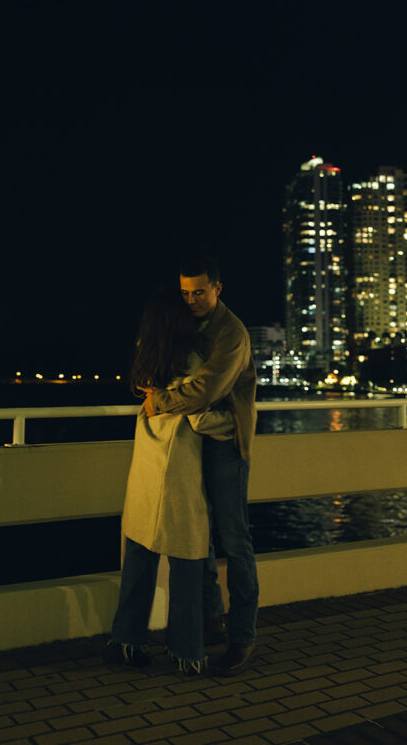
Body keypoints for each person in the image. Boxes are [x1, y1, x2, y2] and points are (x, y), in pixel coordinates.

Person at [104, 287, 236, 675]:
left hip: (145, 473)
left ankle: (125, 643)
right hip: (177, 474)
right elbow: (200, 416)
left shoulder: (148, 359)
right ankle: (187, 652)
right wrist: (236, 422)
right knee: (188, 562)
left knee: (140, 560)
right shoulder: (191, 360)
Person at [143, 254, 259, 677]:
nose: (191, 300)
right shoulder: (189, 325)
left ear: (218, 289)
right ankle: (212, 620)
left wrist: (159, 401)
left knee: (234, 539)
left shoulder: (232, 334)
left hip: (226, 444)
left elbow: (206, 390)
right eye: (185, 293)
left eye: (199, 292)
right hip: (194, 442)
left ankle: (242, 638)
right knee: (198, 534)